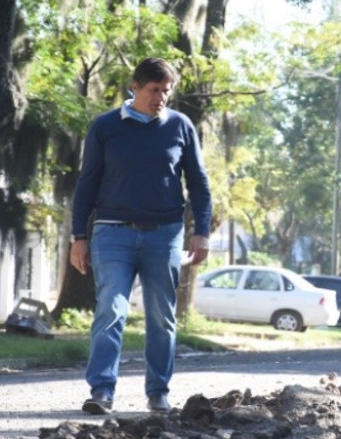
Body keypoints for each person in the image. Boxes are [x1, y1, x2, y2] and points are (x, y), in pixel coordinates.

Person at [69, 57, 212, 415]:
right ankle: (101, 391)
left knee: (162, 317)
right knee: (111, 310)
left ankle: (158, 392)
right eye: (154, 89)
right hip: (111, 234)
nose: (160, 97)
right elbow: (87, 183)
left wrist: (202, 232)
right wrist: (78, 236)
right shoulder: (105, 126)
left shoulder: (180, 126)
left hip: (164, 236)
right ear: (135, 86)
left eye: (166, 90)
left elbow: (198, 183)